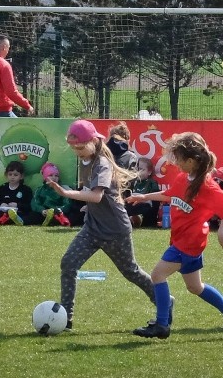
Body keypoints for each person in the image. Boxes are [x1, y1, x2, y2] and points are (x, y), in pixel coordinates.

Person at [126, 132, 223, 340]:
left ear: (191, 161)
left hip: (188, 243)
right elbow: (170, 195)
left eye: (178, 159)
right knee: (195, 287)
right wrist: (144, 196)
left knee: (157, 275)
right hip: (185, 241)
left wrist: (222, 233)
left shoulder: (208, 187)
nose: (175, 163)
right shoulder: (184, 178)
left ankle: (162, 325)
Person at [47, 120, 155, 330]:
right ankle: (65, 318)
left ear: (94, 141)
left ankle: (164, 301)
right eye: (73, 148)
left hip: (115, 230)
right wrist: (88, 209)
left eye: (80, 147)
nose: (76, 151)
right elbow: (95, 197)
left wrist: (66, 193)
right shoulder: (85, 161)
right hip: (92, 228)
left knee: (131, 272)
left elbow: (96, 196)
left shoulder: (102, 164)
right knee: (68, 264)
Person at [0, 160, 33, 226]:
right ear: (6, 175)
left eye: (15, 175)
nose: (12, 177)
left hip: (18, 213)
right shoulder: (2, 188)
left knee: (33, 215)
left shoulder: (26, 190)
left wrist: (17, 205)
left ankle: (13, 219)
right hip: (3, 212)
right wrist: (1, 205)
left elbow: (29, 206)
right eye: (10, 174)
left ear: (21, 176)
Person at [26, 162, 71, 226]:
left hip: (57, 212)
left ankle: (54, 220)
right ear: (45, 177)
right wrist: (42, 210)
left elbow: (67, 203)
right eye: (50, 175)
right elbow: (35, 202)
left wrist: (58, 210)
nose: (54, 177)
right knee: (32, 216)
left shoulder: (62, 189)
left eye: (56, 175)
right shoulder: (40, 190)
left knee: (69, 216)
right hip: (44, 213)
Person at [125, 157, 160, 227]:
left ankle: (138, 219)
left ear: (149, 172)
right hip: (133, 206)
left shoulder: (152, 183)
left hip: (146, 208)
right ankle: (130, 220)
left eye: (142, 169)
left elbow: (155, 202)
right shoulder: (132, 182)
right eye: (137, 169)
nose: (138, 172)